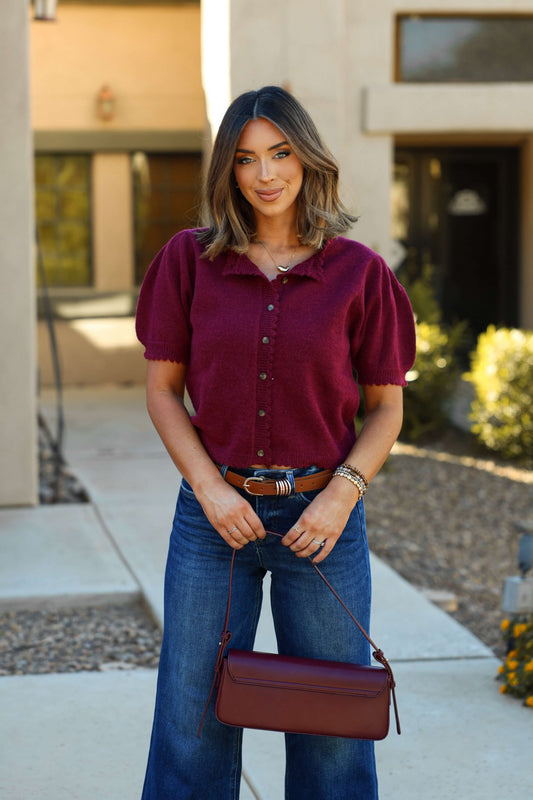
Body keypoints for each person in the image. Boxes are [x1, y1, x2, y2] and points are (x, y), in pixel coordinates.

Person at [135, 85, 416, 800]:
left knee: (331, 726)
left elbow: (386, 409)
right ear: (227, 171)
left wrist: (341, 497)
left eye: (280, 153)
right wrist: (209, 489)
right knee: (190, 721)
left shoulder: (359, 274)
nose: (265, 174)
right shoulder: (186, 261)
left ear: (306, 157)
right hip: (211, 521)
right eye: (246, 158)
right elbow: (163, 392)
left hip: (322, 521)